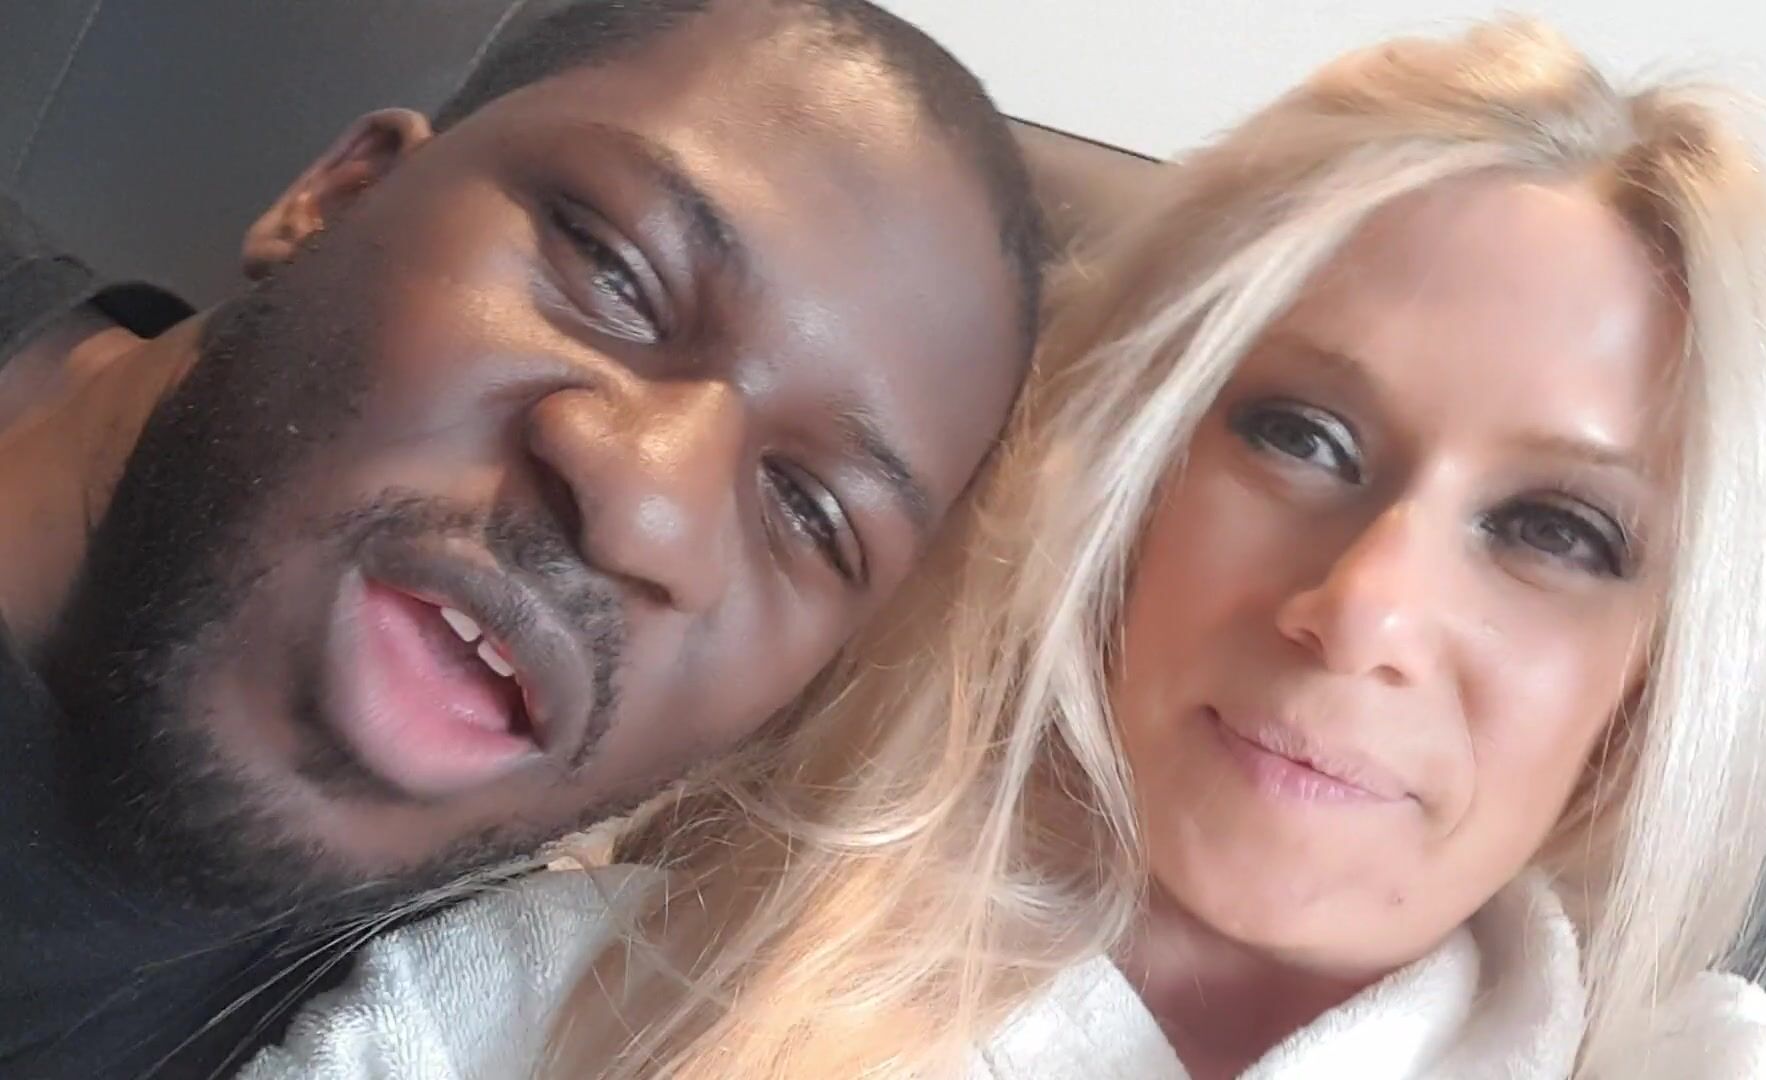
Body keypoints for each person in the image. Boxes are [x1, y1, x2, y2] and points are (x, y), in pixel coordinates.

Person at [230, 16, 1766, 1080]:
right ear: (1120, 467)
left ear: (1657, 678)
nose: (1365, 611)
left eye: (1553, 530)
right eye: (1301, 437)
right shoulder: (526, 1010)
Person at [0, 0, 1047, 1075]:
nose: (647, 515)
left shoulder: (447, 1032)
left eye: (812, 514)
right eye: (617, 272)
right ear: (342, 191)